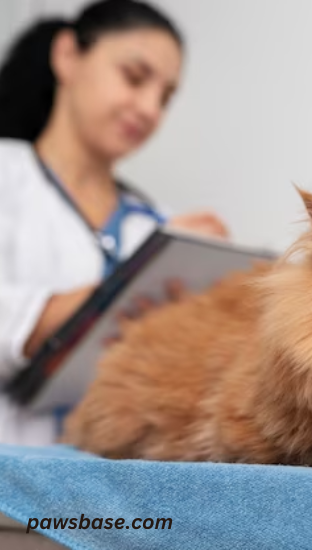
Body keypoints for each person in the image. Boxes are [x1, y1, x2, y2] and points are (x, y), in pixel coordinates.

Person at [0, 0, 228, 446]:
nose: (149, 109)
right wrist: (124, 290)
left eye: (164, 97)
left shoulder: (159, 228)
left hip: (114, 488)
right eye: (135, 77)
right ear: (67, 55)